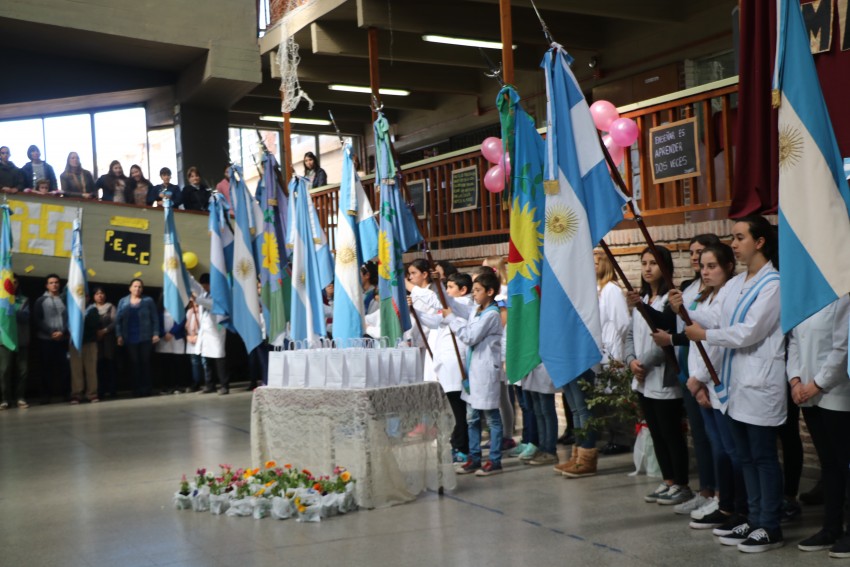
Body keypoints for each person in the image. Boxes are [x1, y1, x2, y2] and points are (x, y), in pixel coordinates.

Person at [670, 215, 784, 552]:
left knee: (762, 456)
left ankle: (770, 525)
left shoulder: (773, 284)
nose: (733, 244)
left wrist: (703, 333)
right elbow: (720, 318)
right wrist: (686, 312)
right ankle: (753, 515)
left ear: (759, 241)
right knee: (745, 457)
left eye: (738, 237)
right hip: (735, 386)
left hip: (759, 383)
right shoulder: (736, 284)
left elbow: (750, 330)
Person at [678, 244, 749, 534]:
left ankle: (736, 507)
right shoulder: (704, 295)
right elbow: (697, 338)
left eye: (712, 266)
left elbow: (718, 342)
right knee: (719, 448)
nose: (705, 272)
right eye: (703, 267)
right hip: (702, 380)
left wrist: (700, 379)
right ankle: (725, 504)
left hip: (717, 381)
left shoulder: (731, 295)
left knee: (730, 450)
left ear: (729, 266)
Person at [650, 235, 720, 515]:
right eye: (692, 253)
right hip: (688, 369)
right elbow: (674, 325)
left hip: (708, 369)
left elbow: (695, 332)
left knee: (716, 438)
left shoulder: (719, 290)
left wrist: (673, 339)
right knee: (699, 436)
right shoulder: (689, 287)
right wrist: (646, 309)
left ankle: (719, 492)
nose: (695, 258)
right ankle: (705, 489)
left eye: (701, 253)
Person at [625, 246, 692, 506]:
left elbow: (666, 340)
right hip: (642, 378)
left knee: (671, 433)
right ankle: (668, 481)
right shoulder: (641, 298)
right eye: (644, 263)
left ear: (665, 268)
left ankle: (682, 484)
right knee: (656, 432)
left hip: (662, 377)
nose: (648, 268)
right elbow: (630, 335)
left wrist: (644, 363)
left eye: (653, 263)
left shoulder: (669, 300)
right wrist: (631, 361)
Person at [556, 249, 631, 478]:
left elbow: (621, 323)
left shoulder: (611, 290)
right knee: (585, 404)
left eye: (595, 263)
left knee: (605, 402)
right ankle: (580, 453)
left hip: (609, 349)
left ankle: (615, 441)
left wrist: (617, 355)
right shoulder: (594, 290)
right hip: (593, 351)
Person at [787, 296, 850, 556]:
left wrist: (817, 384)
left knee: (845, 464)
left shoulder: (842, 296)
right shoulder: (803, 296)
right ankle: (831, 527)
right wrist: (795, 381)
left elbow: (843, 348)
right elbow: (793, 342)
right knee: (829, 465)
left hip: (836, 392)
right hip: (807, 393)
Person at [445, 271, 504, 477]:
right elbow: (453, 306)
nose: (474, 294)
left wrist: (452, 319)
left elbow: (470, 336)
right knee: (472, 418)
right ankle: (475, 457)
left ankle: (495, 459)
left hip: (485, 372)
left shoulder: (492, 314)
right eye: (473, 291)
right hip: (473, 372)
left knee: (492, 417)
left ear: (490, 292)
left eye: (478, 291)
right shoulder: (476, 311)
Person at [422, 271, 472, 463]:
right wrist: (415, 312)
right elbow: (434, 321)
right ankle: (458, 444)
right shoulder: (454, 306)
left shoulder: (465, 304)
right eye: (448, 287)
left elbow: (448, 304)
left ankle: (463, 447)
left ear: (463, 290)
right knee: (455, 408)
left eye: (451, 287)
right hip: (447, 364)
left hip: (457, 363)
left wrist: (438, 284)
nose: (448, 291)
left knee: (460, 410)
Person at [115, 279, 160, 397]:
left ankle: (147, 388)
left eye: (140, 287)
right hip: (129, 337)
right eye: (135, 286)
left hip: (145, 337)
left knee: (145, 363)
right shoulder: (123, 301)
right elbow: (118, 321)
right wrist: (119, 335)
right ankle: (136, 389)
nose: (137, 289)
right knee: (134, 363)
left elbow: (155, 318)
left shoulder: (148, 301)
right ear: (130, 288)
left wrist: (156, 333)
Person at [34, 274, 69, 403]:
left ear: (59, 284)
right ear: (46, 285)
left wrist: (63, 332)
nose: (54, 284)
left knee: (65, 368)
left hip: (63, 340)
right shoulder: (40, 300)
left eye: (56, 282)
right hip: (46, 340)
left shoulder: (65, 300)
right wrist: (51, 332)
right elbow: (37, 320)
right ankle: (45, 396)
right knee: (46, 369)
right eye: (51, 282)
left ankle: (66, 394)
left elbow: (69, 319)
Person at [192, 273, 229, 394]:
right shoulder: (203, 293)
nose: (205, 287)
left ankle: (224, 385)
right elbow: (193, 285)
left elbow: (212, 304)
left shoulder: (219, 294)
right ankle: (209, 384)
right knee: (206, 359)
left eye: (206, 285)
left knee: (219, 358)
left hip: (216, 330)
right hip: (205, 331)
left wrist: (197, 299)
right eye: (204, 285)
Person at [0, 276, 30, 410]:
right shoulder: (1, 301)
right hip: (5, 340)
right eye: (10, 281)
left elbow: (25, 316)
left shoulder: (24, 300)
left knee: (22, 370)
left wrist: (11, 309)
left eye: (15, 282)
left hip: (21, 340)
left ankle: (20, 397)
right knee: (5, 370)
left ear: (18, 284)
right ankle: (5, 399)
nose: (13, 284)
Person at [69, 296, 101, 404]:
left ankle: (91, 393)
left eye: (85, 296)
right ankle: (77, 394)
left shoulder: (92, 309)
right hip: (75, 343)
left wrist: (81, 319)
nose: (82, 298)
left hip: (89, 342)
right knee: (76, 369)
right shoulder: (71, 308)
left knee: (91, 369)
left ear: (88, 298)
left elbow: (94, 324)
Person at [155, 297, 187, 394]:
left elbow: (181, 321)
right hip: (163, 340)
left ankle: (179, 386)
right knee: (165, 365)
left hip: (176, 339)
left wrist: (172, 333)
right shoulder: (159, 311)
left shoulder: (179, 310)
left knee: (178, 364)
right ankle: (166, 386)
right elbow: (156, 323)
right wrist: (163, 334)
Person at [92, 287, 117, 399]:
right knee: (99, 367)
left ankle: (112, 391)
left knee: (110, 366)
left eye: (102, 293)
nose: (100, 296)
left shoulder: (111, 307)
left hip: (109, 340)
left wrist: (104, 331)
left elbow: (115, 322)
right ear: (94, 296)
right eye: (97, 294)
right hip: (96, 341)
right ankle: (100, 391)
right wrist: (96, 332)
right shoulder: (90, 309)